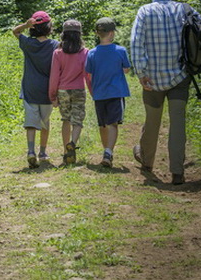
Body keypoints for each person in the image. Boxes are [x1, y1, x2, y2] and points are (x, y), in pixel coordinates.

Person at [130, 0, 201, 185]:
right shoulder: (185, 9)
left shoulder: (145, 11)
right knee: (178, 123)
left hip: (153, 79)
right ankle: (177, 172)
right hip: (180, 76)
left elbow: (136, 43)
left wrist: (141, 73)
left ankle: (147, 162)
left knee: (152, 120)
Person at [12, 11, 58, 168]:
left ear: (33, 28)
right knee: (45, 122)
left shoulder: (28, 43)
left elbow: (15, 31)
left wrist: (25, 25)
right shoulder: (54, 45)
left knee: (31, 123)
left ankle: (31, 151)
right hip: (47, 90)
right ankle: (43, 152)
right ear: (48, 27)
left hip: (30, 88)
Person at [85, 17, 131, 168]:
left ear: (98, 33)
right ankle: (108, 152)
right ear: (112, 33)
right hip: (116, 92)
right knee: (113, 124)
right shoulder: (120, 50)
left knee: (102, 124)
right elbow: (126, 69)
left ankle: (106, 151)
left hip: (99, 93)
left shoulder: (91, 53)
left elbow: (89, 75)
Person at [49, 19, 91, 165]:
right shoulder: (85, 52)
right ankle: (72, 143)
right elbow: (87, 75)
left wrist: (52, 95)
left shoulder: (57, 53)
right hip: (79, 89)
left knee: (66, 119)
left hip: (62, 90)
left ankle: (66, 151)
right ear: (79, 35)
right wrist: (92, 91)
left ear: (63, 34)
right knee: (77, 120)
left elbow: (54, 76)